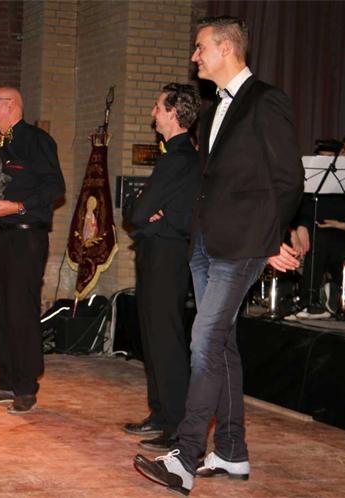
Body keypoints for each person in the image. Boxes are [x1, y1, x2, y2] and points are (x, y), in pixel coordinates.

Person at [134, 16, 304, 495]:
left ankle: (185, 457)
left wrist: (272, 239)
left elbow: (288, 179)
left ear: (226, 48)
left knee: (204, 341)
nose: (194, 57)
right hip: (205, 245)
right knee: (222, 346)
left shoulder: (266, 101)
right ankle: (231, 451)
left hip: (244, 244)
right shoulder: (211, 113)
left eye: (200, 47)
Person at [0, 87, 65, 414]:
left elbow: (55, 186)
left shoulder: (37, 140)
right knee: (0, 311)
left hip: (26, 236)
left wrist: (19, 206)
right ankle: (6, 381)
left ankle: (26, 387)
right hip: (1, 236)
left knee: (21, 311)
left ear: (10, 105)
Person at [122, 83, 201, 452]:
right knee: (153, 337)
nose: (152, 113)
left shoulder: (181, 157)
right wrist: (148, 212)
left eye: (157, 107)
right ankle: (160, 413)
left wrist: (150, 215)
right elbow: (139, 210)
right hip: (160, 251)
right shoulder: (178, 155)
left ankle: (176, 424)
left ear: (173, 112)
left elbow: (138, 212)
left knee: (166, 339)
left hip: (167, 255)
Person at [287, 132, 345, 319]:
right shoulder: (333, 178)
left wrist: (344, 224)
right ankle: (310, 301)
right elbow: (311, 208)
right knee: (319, 237)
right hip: (328, 236)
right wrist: (301, 226)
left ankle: (321, 298)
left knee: (324, 238)